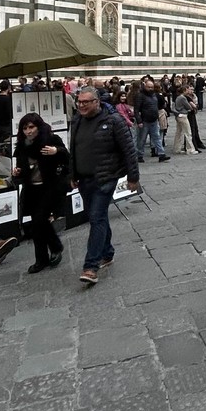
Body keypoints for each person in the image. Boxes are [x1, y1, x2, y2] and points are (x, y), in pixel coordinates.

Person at [68, 85, 141, 285]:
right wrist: (72, 173)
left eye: (85, 102)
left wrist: (133, 178)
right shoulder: (77, 121)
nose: (81, 105)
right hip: (84, 179)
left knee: (96, 218)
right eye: (79, 102)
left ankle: (90, 266)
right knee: (97, 217)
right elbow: (73, 149)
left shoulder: (113, 121)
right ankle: (107, 252)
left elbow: (129, 150)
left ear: (96, 102)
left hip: (105, 178)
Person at [12, 111, 71, 274]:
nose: (28, 131)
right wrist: (17, 172)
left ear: (39, 127)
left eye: (31, 127)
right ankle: (45, 256)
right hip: (32, 189)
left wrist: (56, 151)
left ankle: (49, 253)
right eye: (25, 128)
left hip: (50, 187)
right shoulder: (22, 146)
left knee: (39, 220)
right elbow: (22, 170)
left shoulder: (51, 140)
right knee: (38, 224)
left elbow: (67, 157)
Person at [171, 87, 197, 155]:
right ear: (184, 90)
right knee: (188, 132)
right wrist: (189, 109)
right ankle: (190, 149)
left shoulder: (177, 97)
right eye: (186, 89)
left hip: (178, 116)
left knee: (179, 133)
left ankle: (177, 148)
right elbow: (189, 106)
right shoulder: (183, 98)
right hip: (183, 115)